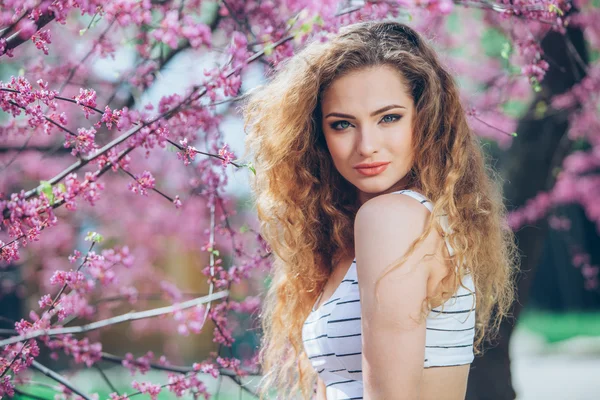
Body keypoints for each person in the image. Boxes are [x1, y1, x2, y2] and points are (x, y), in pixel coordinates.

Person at [242, 20, 518, 400]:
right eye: (342, 125)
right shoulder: (380, 228)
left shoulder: (393, 219)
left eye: (389, 117)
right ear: (317, 136)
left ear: (424, 118)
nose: (366, 145)